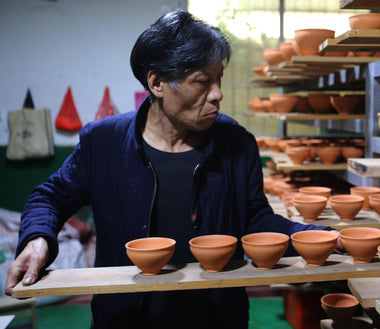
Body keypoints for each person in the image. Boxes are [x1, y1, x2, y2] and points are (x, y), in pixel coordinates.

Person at [5, 9, 338, 329]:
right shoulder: (103, 143)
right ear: (157, 83)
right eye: (201, 82)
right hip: (127, 319)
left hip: (216, 318)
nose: (217, 94)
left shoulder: (236, 142)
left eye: (218, 79)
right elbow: (49, 197)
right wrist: (37, 239)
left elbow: (255, 220)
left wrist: (316, 237)